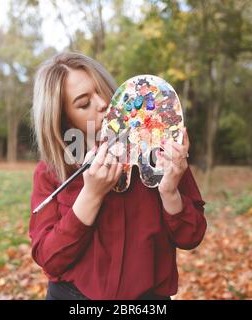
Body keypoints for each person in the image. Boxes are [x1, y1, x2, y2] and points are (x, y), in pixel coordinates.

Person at [29, 52, 207, 300]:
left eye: (105, 91)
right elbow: (50, 260)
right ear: (63, 119)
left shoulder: (160, 153)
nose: (102, 103)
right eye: (83, 103)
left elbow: (191, 237)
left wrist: (170, 192)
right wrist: (91, 194)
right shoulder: (52, 171)